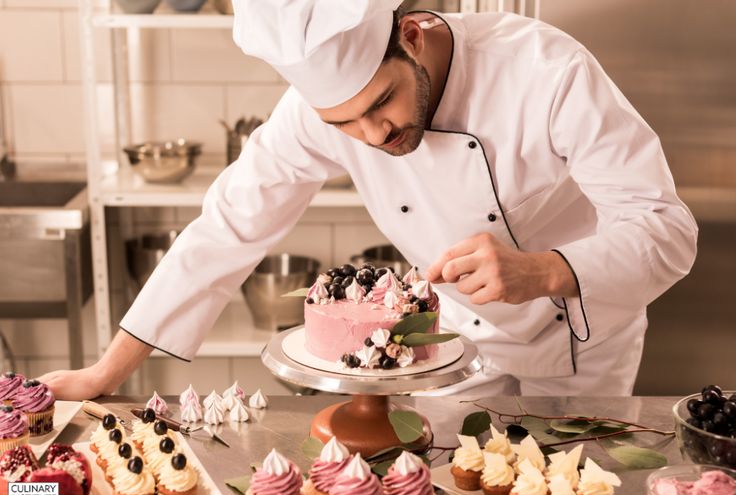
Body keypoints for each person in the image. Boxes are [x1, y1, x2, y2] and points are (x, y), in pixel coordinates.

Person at [40, 0, 697, 400]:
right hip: (456, 348)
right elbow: (228, 226)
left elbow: (666, 228)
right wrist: (107, 370)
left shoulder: (544, 71)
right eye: (344, 124)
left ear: (412, 33)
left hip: (581, 346)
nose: (373, 136)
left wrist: (546, 269)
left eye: (381, 102)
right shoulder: (318, 114)